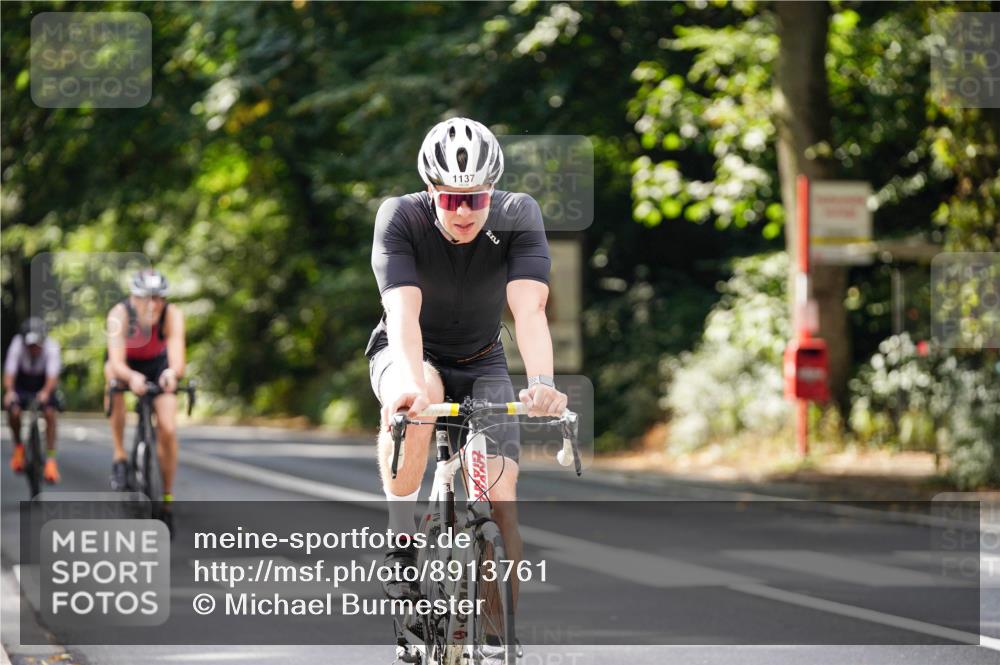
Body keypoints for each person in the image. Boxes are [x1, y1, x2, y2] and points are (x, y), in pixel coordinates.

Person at [365, 117, 568, 622]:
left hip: (482, 358)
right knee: (422, 394)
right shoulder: (401, 218)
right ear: (430, 189)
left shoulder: (519, 214)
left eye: (475, 198)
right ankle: (400, 546)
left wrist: (541, 384)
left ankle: (500, 640)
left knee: (501, 501)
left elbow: (529, 310)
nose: (462, 211)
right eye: (450, 197)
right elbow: (402, 315)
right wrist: (411, 386)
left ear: (492, 192)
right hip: (408, 352)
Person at [105, 269, 186, 531]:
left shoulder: (172, 315)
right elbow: (116, 362)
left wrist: (171, 375)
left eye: (158, 298)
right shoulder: (119, 315)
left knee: (168, 428)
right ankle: (119, 456)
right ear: (133, 297)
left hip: (158, 366)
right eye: (146, 298)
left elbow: (177, 360)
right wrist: (131, 378)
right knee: (113, 382)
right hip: (127, 365)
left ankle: (167, 500)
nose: (153, 304)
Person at [3, 317, 62, 482]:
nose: (34, 348)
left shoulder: (51, 347)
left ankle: (50, 461)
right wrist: (9, 392)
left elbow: (52, 376)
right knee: (13, 411)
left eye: (37, 345)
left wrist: (45, 393)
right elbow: (9, 372)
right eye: (30, 345)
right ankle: (19, 448)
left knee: (50, 413)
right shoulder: (17, 345)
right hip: (22, 383)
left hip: (44, 383)